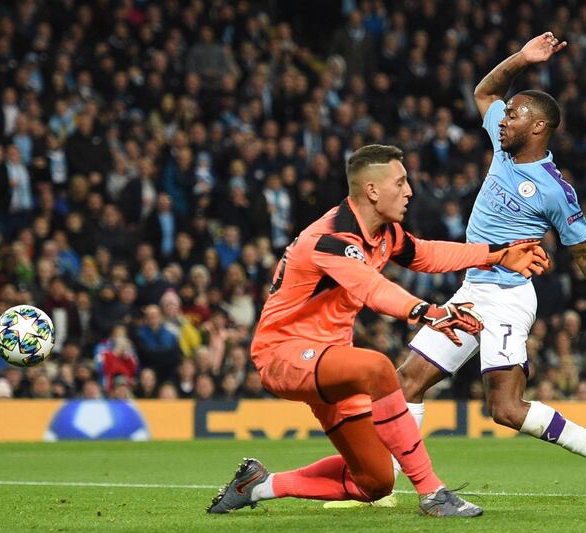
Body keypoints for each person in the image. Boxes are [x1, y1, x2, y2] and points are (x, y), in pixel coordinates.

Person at [338, 33, 586, 509]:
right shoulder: (502, 146)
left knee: (504, 409)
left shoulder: (554, 190)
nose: (504, 118)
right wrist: (522, 60)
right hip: (471, 289)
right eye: (506, 115)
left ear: (540, 126)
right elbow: (485, 92)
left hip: (508, 296)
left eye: (516, 113)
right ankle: (379, 487)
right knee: (408, 381)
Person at [207, 144, 548, 517]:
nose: (409, 191)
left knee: (372, 481)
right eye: (400, 182)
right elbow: (371, 288)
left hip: (332, 362)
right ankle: (433, 493)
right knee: (378, 368)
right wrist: (426, 311)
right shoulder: (330, 238)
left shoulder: (387, 234)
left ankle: (257, 485)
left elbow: (426, 254)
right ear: (371, 190)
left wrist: (495, 254)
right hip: (283, 353)